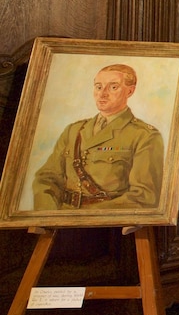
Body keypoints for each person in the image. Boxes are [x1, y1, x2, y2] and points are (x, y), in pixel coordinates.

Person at [33, 64, 164, 209]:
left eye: (113, 87)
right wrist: (48, 216)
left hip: (109, 226)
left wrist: (86, 217)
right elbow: (46, 179)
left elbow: (144, 196)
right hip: (61, 220)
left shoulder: (144, 135)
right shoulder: (74, 130)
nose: (103, 94)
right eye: (98, 87)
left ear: (130, 91)